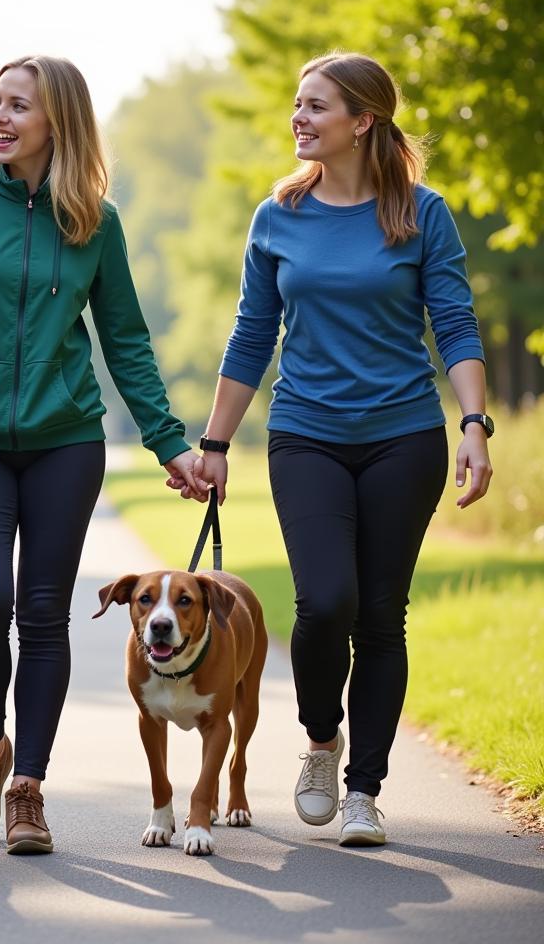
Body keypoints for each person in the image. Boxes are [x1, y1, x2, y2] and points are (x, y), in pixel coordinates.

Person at [0, 55, 202, 854]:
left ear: (60, 120)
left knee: (42, 617)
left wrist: (166, 440)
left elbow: (124, 338)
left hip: (67, 442)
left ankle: (28, 789)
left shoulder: (95, 218)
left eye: (18, 105)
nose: (0, 118)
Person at [184, 51, 492, 847]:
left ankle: (364, 790)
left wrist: (474, 424)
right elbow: (253, 334)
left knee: (381, 614)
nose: (299, 118)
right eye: (297, 103)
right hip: (307, 435)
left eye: (316, 106)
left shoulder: (423, 213)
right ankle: (323, 740)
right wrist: (215, 441)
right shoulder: (277, 215)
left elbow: (454, 323)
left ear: (363, 121)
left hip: (404, 436)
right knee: (325, 602)